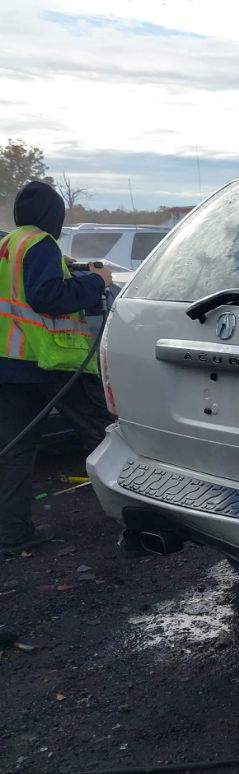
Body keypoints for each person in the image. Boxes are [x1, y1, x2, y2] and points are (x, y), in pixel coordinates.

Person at [0, 181, 115, 555]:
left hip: (10, 362)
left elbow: (22, 289)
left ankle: (13, 534)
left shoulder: (8, 245)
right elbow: (46, 296)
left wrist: (65, 269)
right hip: (50, 360)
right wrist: (95, 282)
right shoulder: (41, 245)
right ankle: (137, 518)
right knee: (104, 433)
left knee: (16, 448)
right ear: (54, 215)